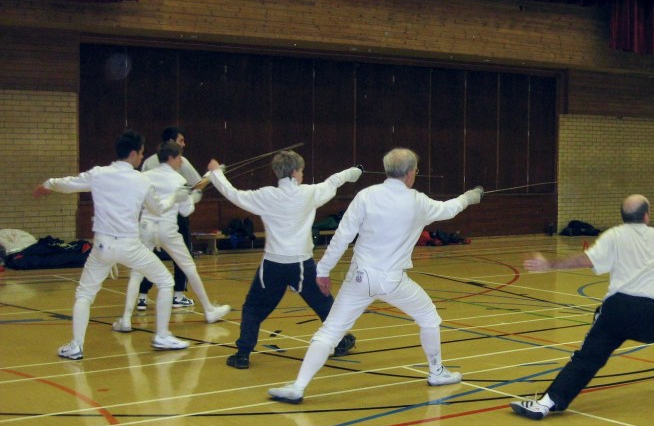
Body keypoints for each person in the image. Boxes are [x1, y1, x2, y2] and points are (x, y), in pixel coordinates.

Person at [266, 147, 484, 404]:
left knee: (330, 331)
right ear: (411, 173)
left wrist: (323, 271)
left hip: (359, 279)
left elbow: (342, 236)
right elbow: (449, 209)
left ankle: (298, 387)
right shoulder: (418, 202)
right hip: (393, 281)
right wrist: (469, 197)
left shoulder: (366, 196)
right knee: (429, 317)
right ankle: (436, 372)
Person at [509, 195, 654, 420]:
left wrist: (549, 264)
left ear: (623, 215)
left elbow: (585, 260)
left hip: (614, 312)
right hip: (648, 314)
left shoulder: (614, 235)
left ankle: (544, 404)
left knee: (586, 358)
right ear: (647, 215)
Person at [32, 130, 191, 359]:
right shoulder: (141, 180)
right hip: (130, 246)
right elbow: (158, 209)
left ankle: (76, 346)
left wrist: (47, 184)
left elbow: (68, 184)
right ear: (134, 153)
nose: (141, 158)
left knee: (85, 294)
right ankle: (162, 335)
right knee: (166, 281)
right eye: (142, 153)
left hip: (103, 247)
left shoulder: (99, 174)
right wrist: (175, 198)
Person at [205, 149, 362, 369]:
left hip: (273, 266)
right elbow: (333, 181)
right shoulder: (309, 193)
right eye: (302, 171)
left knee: (253, 308)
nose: (303, 175)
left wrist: (215, 174)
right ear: (295, 172)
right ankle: (341, 340)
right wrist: (354, 172)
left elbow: (233, 194)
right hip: (302, 265)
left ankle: (243, 354)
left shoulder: (266, 195)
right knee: (323, 303)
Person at [112, 140, 231, 332]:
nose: (181, 163)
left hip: (146, 227)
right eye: (179, 159)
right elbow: (185, 211)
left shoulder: (145, 176)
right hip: (167, 228)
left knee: (137, 271)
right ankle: (209, 310)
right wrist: (194, 198)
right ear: (171, 158)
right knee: (189, 267)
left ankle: (126, 319)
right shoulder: (178, 180)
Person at [137, 126, 203, 310]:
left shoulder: (148, 162)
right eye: (181, 141)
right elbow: (198, 183)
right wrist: (213, 178)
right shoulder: (182, 161)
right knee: (182, 256)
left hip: (150, 219)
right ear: (172, 144)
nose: (184, 144)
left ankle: (141, 296)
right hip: (174, 218)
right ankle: (178, 295)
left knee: (147, 256)